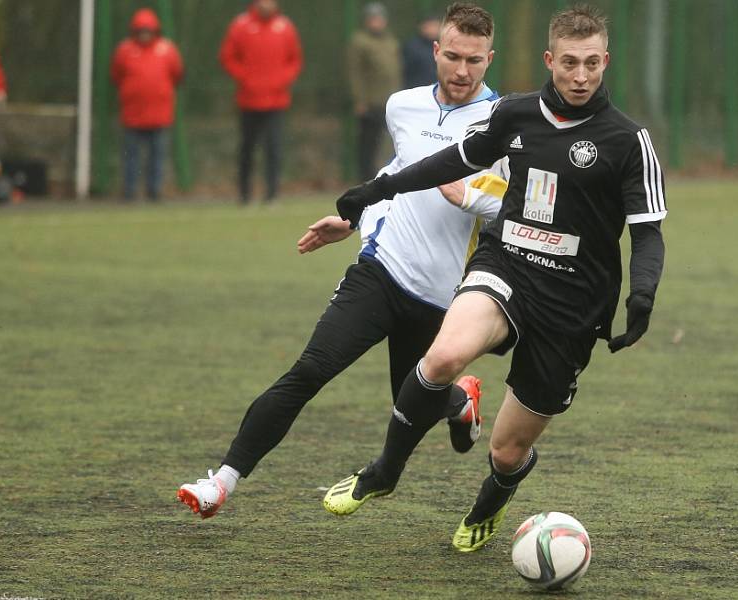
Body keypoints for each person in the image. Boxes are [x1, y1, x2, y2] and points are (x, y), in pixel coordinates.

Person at [325, 4, 667, 553]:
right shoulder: (514, 113)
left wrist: (643, 293)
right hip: (506, 265)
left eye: (592, 65)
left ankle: (494, 496)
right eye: (570, 64)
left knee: (506, 451)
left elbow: (647, 234)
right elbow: (452, 160)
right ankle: (385, 471)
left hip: (573, 307)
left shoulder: (629, 140)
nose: (580, 77)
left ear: (606, 62)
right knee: (441, 358)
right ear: (549, 60)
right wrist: (377, 190)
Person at [177, 3, 507, 520]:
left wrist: (468, 194)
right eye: (453, 57)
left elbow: (519, 201)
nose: (462, 72)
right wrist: (351, 220)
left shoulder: (503, 123)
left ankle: (458, 402)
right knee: (310, 369)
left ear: (490, 59)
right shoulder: (402, 106)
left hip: (443, 296)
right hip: (379, 272)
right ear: (435, 51)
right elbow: (396, 171)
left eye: (474, 60)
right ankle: (221, 481)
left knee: (412, 400)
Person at [220, 0, 303, 204]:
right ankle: (244, 194)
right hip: (248, 100)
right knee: (247, 149)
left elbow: (295, 60)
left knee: (273, 149)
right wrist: (245, 78)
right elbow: (227, 57)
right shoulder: (241, 25)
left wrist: (282, 80)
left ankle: (272, 194)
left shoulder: (285, 26)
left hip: (276, 101)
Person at [110, 9, 183, 201]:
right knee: (131, 156)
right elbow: (116, 75)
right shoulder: (125, 50)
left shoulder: (166, 49)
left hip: (159, 115)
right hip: (132, 114)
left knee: (157, 158)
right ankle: (129, 191)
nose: (144, 35)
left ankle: (154, 191)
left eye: (148, 31)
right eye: (141, 31)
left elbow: (177, 74)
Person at [347, 2, 401, 181]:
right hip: (371, 102)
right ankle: (365, 179)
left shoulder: (390, 40)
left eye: (379, 19)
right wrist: (360, 100)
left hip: (390, 101)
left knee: (390, 143)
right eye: (373, 19)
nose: (376, 23)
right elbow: (355, 72)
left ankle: (386, 177)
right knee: (368, 145)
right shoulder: (360, 41)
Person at [402, 14, 442, 89]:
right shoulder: (412, 47)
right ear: (423, 27)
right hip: (417, 89)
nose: (433, 29)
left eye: (436, 26)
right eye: (430, 26)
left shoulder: (443, 46)